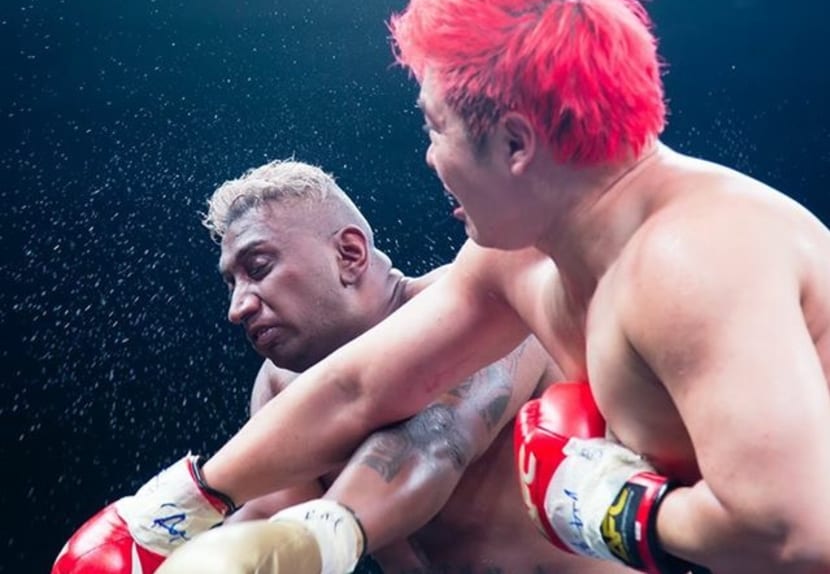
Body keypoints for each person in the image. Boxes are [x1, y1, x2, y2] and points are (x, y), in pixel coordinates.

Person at [151, 0, 830, 573]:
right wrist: (156, 518)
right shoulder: (517, 262)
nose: (429, 157)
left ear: (513, 144)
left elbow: (795, 532)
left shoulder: (689, 258)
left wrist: (610, 507)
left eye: (434, 127)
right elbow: (358, 388)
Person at [52, 160, 630, 574]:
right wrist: (158, 546)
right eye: (230, 282)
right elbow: (265, 519)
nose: (237, 306)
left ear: (349, 254)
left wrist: (312, 538)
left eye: (258, 267)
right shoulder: (279, 385)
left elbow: (433, 440)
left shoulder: (481, 301)